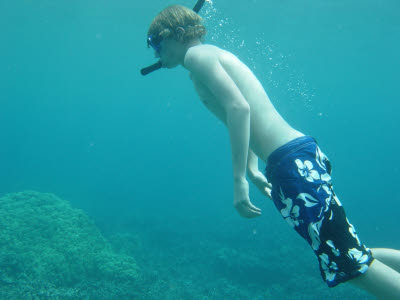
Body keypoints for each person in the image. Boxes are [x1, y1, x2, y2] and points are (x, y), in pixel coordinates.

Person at [145, 5, 400, 299]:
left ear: (177, 34)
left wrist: (239, 179)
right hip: (296, 157)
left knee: (349, 263)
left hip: (291, 165)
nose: (155, 54)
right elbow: (239, 116)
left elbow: (239, 108)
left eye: (156, 44)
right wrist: (253, 169)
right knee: (349, 255)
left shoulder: (196, 56)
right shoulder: (207, 57)